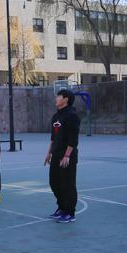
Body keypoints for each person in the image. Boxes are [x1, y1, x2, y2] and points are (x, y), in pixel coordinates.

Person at [44, 89, 81, 224]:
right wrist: (49, 153)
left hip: (67, 156)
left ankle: (70, 212)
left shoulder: (72, 116)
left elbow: (73, 139)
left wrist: (67, 155)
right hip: (56, 154)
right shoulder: (56, 116)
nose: (56, 98)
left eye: (58, 96)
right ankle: (61, 207)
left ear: (65, 99)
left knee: (68, 184)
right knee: (54, 182)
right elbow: (53, 138)